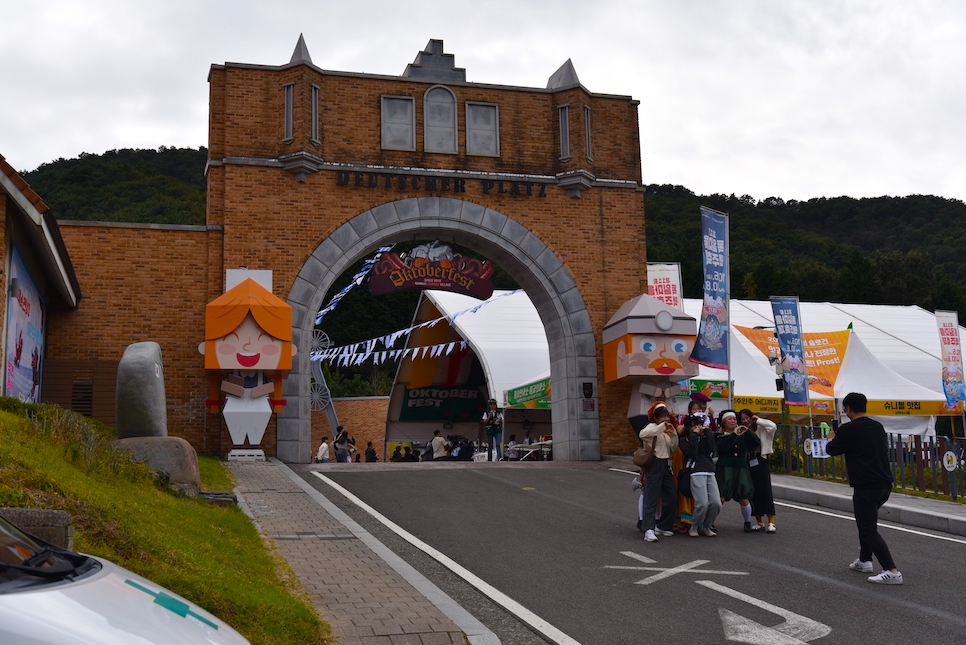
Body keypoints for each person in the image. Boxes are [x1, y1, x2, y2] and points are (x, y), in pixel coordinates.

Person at [826, 392, 902, 585]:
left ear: (848, 408)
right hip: (884, 484)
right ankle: (865, 560)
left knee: (868, 529)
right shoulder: (877, 426)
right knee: (865, 522)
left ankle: (891, 571)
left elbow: (832, 450)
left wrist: (830, 438)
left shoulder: (848, 429)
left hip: (866, 485)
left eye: (845, 408)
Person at [639, 402, 679, 542]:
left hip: (666, 465)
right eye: (662, 417)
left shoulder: (665, 431)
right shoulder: (652, 427)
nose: (665, 420)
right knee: (652, 497)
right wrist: (661, 427)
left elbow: (673, 449)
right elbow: (642, 434)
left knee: (672, 496)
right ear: (656, 418)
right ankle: (648, 529)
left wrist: (673, 434)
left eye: (666, 416)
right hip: (654, 464)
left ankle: (663, 525)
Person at [715, 410, 760, 533]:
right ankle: (710, 522)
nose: (733, 421)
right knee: (721, 496)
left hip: (740, 466)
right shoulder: (721, 436)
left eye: (734, 419)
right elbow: (722, 448)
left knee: (744, 496)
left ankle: (747, 523)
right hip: (725, 467)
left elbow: (756, 443)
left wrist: (748, 432)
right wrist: (734, 435)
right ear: (724, 422)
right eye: (729, 419)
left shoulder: (743, 435)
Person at [679, 414, 721, 537]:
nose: (697, 427)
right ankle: (694, 526)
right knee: (702, 503)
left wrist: (706, 434)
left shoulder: (704, 436)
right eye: (693, 425)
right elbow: (691, 453)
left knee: (716, 503)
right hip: (695, 471)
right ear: (688, 428)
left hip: (709, 470)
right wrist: (695, 436)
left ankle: (706, 526)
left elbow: (711, 449)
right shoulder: (684, 440)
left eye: (699, 424)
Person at [739, 409, 778, 533]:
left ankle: (771, 522)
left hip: (761, 460)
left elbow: (773, 426)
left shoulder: (762, 428)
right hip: (749, 461)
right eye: (743, 419)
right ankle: (759, 522)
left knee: (765, 490)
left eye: (747, 418)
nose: (746, 421)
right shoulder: (743, 432)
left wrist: (759, 420)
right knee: (753, 491)